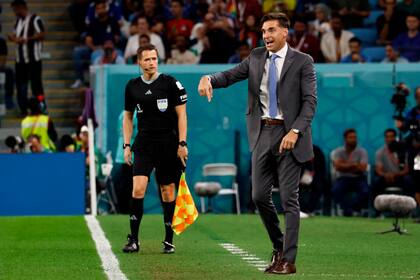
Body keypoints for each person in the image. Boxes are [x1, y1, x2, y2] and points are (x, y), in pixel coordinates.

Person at [198, 12, 317, 275]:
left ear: (285, 32)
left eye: (272, 30)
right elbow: (230, 75)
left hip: (290, 135)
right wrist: (209, 79)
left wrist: (295, 131)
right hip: (263, 132)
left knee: (289, 199)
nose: (266, 36)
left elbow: (310, 102)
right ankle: (279, 245)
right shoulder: (255, 57)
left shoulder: (303, 62)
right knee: (258, 196)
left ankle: (288, 260)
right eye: (264, 31)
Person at [122, 44, 188, 254]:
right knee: (138, 188)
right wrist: (126, 145)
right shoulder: (132, 86)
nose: (151, 63)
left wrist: (182, 143)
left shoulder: (171, 83)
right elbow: (127, 117)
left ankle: (168, 240)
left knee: (168, 191)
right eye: (147, 59)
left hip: (168, 144)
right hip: (143, 143)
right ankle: (134, 239)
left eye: (154, 59)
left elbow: (182, 115)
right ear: (139, 63)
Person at [8, 0, 46, 115]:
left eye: (15, 9)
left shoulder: (35, 19)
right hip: (20, 60)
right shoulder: (18, 21)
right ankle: (23, 109)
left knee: (37, 87)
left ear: (21, 7)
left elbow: (42, 34)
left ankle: (42, 108)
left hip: (33, 59)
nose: (14, 12)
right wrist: (13, 38)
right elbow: (15, 35)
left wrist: (27, 39)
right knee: (21, 86)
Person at [331, 129, 369, 217]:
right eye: (351, 137)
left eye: (355, 137)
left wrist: (345, 165)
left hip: (358, 178)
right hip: (343, 178)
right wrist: (355, 164)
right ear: (345, 139)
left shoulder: (362, 151)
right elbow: (338, 167)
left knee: (365, 191)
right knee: (335, 190)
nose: (353, 139)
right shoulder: (338, 151)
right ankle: (349, 210)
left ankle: (351, 209)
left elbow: (362, 168)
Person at [372, 129, 412, 200]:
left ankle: (408, 205)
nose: (389, 139)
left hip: (399, 177)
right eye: (387, 137)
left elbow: (407, 170)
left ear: (395, 137)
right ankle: (377, 207)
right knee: (376, 181)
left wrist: (395, 175)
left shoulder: (403, 151)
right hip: (386, 177)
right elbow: (378, 170)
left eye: (391, 137)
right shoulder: (379, 152)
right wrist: (386, 175)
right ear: (385, 138)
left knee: (408, 179)